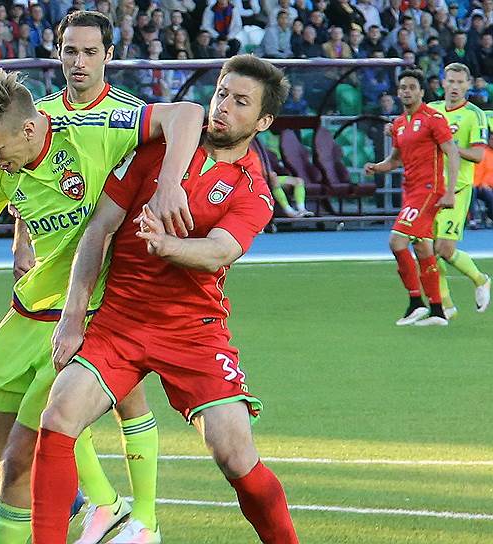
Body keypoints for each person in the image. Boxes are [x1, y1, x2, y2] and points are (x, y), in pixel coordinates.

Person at [0, 68, 204, 544]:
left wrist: (169, 185)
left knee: (19, 461)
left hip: (92, 314)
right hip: (32, 310)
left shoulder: (95, 131)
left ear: (30, 129)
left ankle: (109, 511)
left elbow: (187, 113)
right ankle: (88, 503)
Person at [32, 53, 299, 544]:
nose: (224, 107)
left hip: (193, 330)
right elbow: (99, 230)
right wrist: (72, 317)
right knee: (58, 415)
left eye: (241, 102)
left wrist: (167, 245)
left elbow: (219, 251)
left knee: (235, 454)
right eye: (222, 93)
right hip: (120, 321)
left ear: (263, 122)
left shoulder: (254, 190)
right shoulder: (158, 151)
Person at [10, 11, 161, 544]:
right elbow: (23, 179)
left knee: (127, 397)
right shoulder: (41, 116)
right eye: (70, 51)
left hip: (120, 278)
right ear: (58, 53)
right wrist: (21, 242)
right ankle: (109, 504)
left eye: (90, 52)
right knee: (63, 394)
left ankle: (141, 517)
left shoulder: (132, 116)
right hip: (60, 279)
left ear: (108, 56)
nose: (79, 61)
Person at [364, 69, 460, 327]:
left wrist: (449, 191)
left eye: (411, 87)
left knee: (397, 241)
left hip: (429, 190)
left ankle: (416, 302)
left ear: (421, 92)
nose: (406, 91)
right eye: (403, 87)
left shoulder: (433, 118)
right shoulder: (398, 124)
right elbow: (395, 160)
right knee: (422, 248)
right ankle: (437, 310)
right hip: (411, 191)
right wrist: (378, 167)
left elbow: (452, 152)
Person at [426, 63, 492, 316]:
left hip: (457, 189)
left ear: (468, 85)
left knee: (444, 248)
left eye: (460, 82)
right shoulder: (431, 110)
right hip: (428, 188)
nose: (454, 87)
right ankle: (445, 306)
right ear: (443, 83)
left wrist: (450, 147)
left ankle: (480, 279)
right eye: (450, 81)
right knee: (426, 249)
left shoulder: (475, 115)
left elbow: (478, 155)